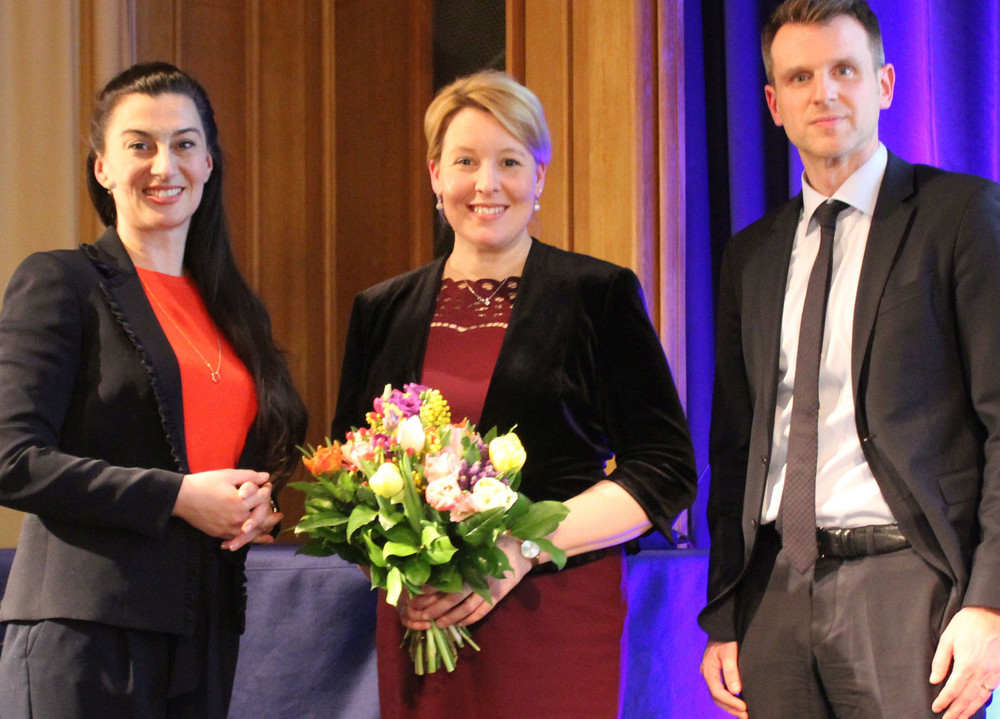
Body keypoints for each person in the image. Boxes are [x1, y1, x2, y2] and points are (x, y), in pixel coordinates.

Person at [331, 70, 697, 718]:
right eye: (465, 161)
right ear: (435, 174)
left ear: (540, 177)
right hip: (420, 619)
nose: (486, 184)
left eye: (509, 161)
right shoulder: (380, 308)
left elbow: (664, 470)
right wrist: (394, 565)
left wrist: (520, 548)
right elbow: (348, 472)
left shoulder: (598, 296)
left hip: (550, 609)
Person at [698, 1, 1000, 717]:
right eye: (799, 77)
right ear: (773, 104)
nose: (824, 92)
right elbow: (736, 447)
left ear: (885, 83)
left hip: (910, 586)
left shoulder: (961, 215)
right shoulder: (751, 254)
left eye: (843, 70)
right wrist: (725, 612)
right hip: (773, 594)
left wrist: (989, 603)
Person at [0, 62, 307, 718]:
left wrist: (255, 504)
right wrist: (179, 496)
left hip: (203, 635)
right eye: (140, 145)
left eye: (185, 144)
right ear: (102, 167)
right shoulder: (61, 282)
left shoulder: (233, 310)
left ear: (210, 163)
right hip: (88, 635)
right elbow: (11, 458)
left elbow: (221, 455)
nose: (165, 164)